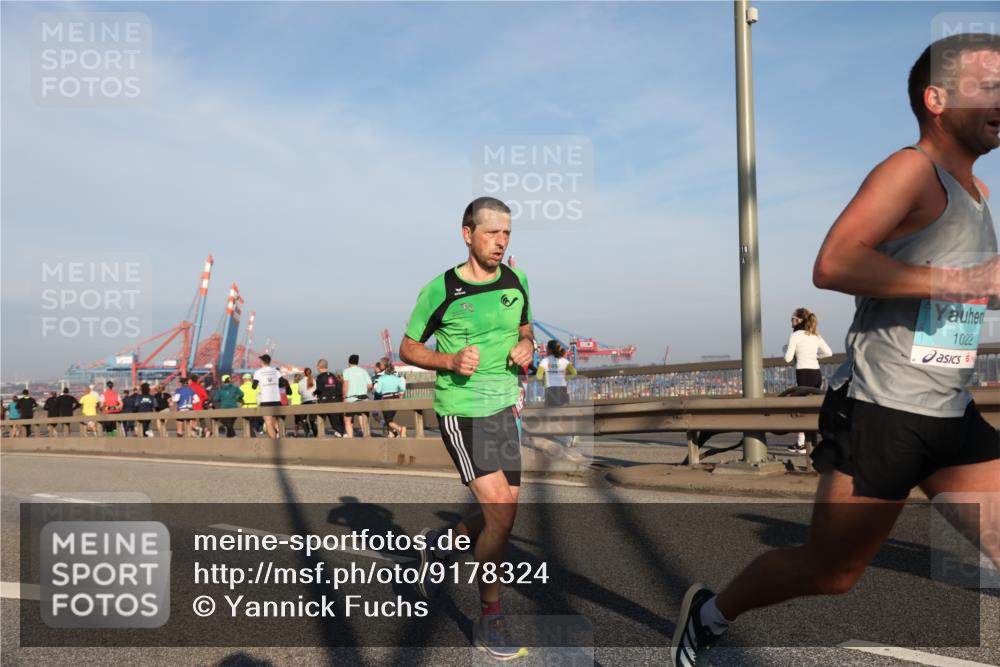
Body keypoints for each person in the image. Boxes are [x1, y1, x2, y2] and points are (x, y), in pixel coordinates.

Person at [671, 33, 1000, 666]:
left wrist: (978, 289)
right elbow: (835, 262)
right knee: (831, 573)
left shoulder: (977, 192)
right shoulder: (910, 170)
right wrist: (963, 280)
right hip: (885, 412)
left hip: (950, 410)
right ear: (936, 99)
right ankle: (709, 617)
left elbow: (956, 295)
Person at [400, 196, 534, 659]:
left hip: (504, 409)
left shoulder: (517, 279)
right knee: (500, 515)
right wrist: (449, 360)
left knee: (506, 512)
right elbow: (408, 347)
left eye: (507, 234)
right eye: (492, 233)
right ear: (467, 234)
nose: (501, 242)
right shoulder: (440, 290)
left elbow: (524, 327)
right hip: (462, 408)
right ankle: (491, 618)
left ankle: (439, 547)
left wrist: (527, 346)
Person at [783, 307, 834, 453]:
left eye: (792, 318)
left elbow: (787, 358)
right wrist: (815, 357)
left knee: (801, 408)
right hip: (816, 373)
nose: (790, 322)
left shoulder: (796, 335)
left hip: (803, 373)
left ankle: (801, 444)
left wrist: (784, 349)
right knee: (814, 408)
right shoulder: (814, 335)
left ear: (798, 320)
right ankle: (813, 442)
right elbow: (829, 353)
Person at [536, 340, 578, 448]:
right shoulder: (564, 361)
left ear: (549, 349)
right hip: (563, 390)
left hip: (550, 390)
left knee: (550, 415)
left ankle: (555, 438)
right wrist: (565, 377)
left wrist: (544, 378)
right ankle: (572, 435)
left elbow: (538, 376)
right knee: (563, 414)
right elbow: (574, 373)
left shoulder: (545, 361)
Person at [342, 354, 373, 437]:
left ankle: (350, 438)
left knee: (348, 420)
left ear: (349, 362)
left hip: (350, 399)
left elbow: (345, 384)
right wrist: (363, 387)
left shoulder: (346, 371)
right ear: (357, 362)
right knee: (362, 419)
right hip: (363, 398)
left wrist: (344, 396)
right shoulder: (363, 371)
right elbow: (370, 385)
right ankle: (367, 437)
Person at [374, 363, 407, 438]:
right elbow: (402, 388)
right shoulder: (397, 378)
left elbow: (378, 391)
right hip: (396, 398)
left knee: (388, 421)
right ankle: (392, 434)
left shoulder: (381, 378)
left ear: (385, 369)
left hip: (386, 399)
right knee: (390, 419)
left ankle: (400, 429)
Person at [253, 354, 282, 438]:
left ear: (262, 362)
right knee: (275, 420)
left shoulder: (258, 372)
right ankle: (280, 433)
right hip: (276, 400)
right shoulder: (276, 371)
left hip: (266, 400)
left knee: (268, 422)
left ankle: (275, 442)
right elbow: (282, 383)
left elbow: (254, 386)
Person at [315, 359, 345, 437]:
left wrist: (315, 392)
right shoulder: (332, 375)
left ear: (319, 366)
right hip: (334, 400)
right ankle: (343, 433)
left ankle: (319, 438)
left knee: (319, 420)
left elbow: (319, 389)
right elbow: (336, 388)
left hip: (324, 401)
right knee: (335, 423)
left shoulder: (320, 377)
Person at [239, 372, 261, 437]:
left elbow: (239, 397)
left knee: (246, 424)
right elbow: (259, 397)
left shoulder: (241, 387)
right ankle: (251, 436)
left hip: (245, 407)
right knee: (252, 424)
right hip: (254, 407)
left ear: (245, 379)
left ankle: (251, 437)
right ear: (251, 379)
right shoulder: (256, 387)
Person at [298, 368, 318, 437]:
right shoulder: (314, 381)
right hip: (314, 400)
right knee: (312, 418)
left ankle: (307, 431)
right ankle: (315, 432)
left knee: (303, 418)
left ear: (304, 373)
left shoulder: (301, 382)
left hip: (305, 401)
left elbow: (299, 392)